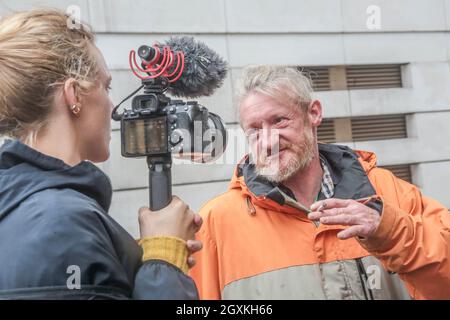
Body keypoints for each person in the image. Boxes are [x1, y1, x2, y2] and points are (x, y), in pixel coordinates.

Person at [190, 65, 450, 300]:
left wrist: (390, 232)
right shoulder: (216, 222)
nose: (267, 142)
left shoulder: (386, 191)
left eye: (279, 120)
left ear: (313, 113)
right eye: (254, 130)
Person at [0, 10, 202, 299]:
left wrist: (125, 261)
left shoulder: (22, 204)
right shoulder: (61, 223)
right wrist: (163, 263)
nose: (114, 108)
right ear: (74, 96)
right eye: (106, 87)